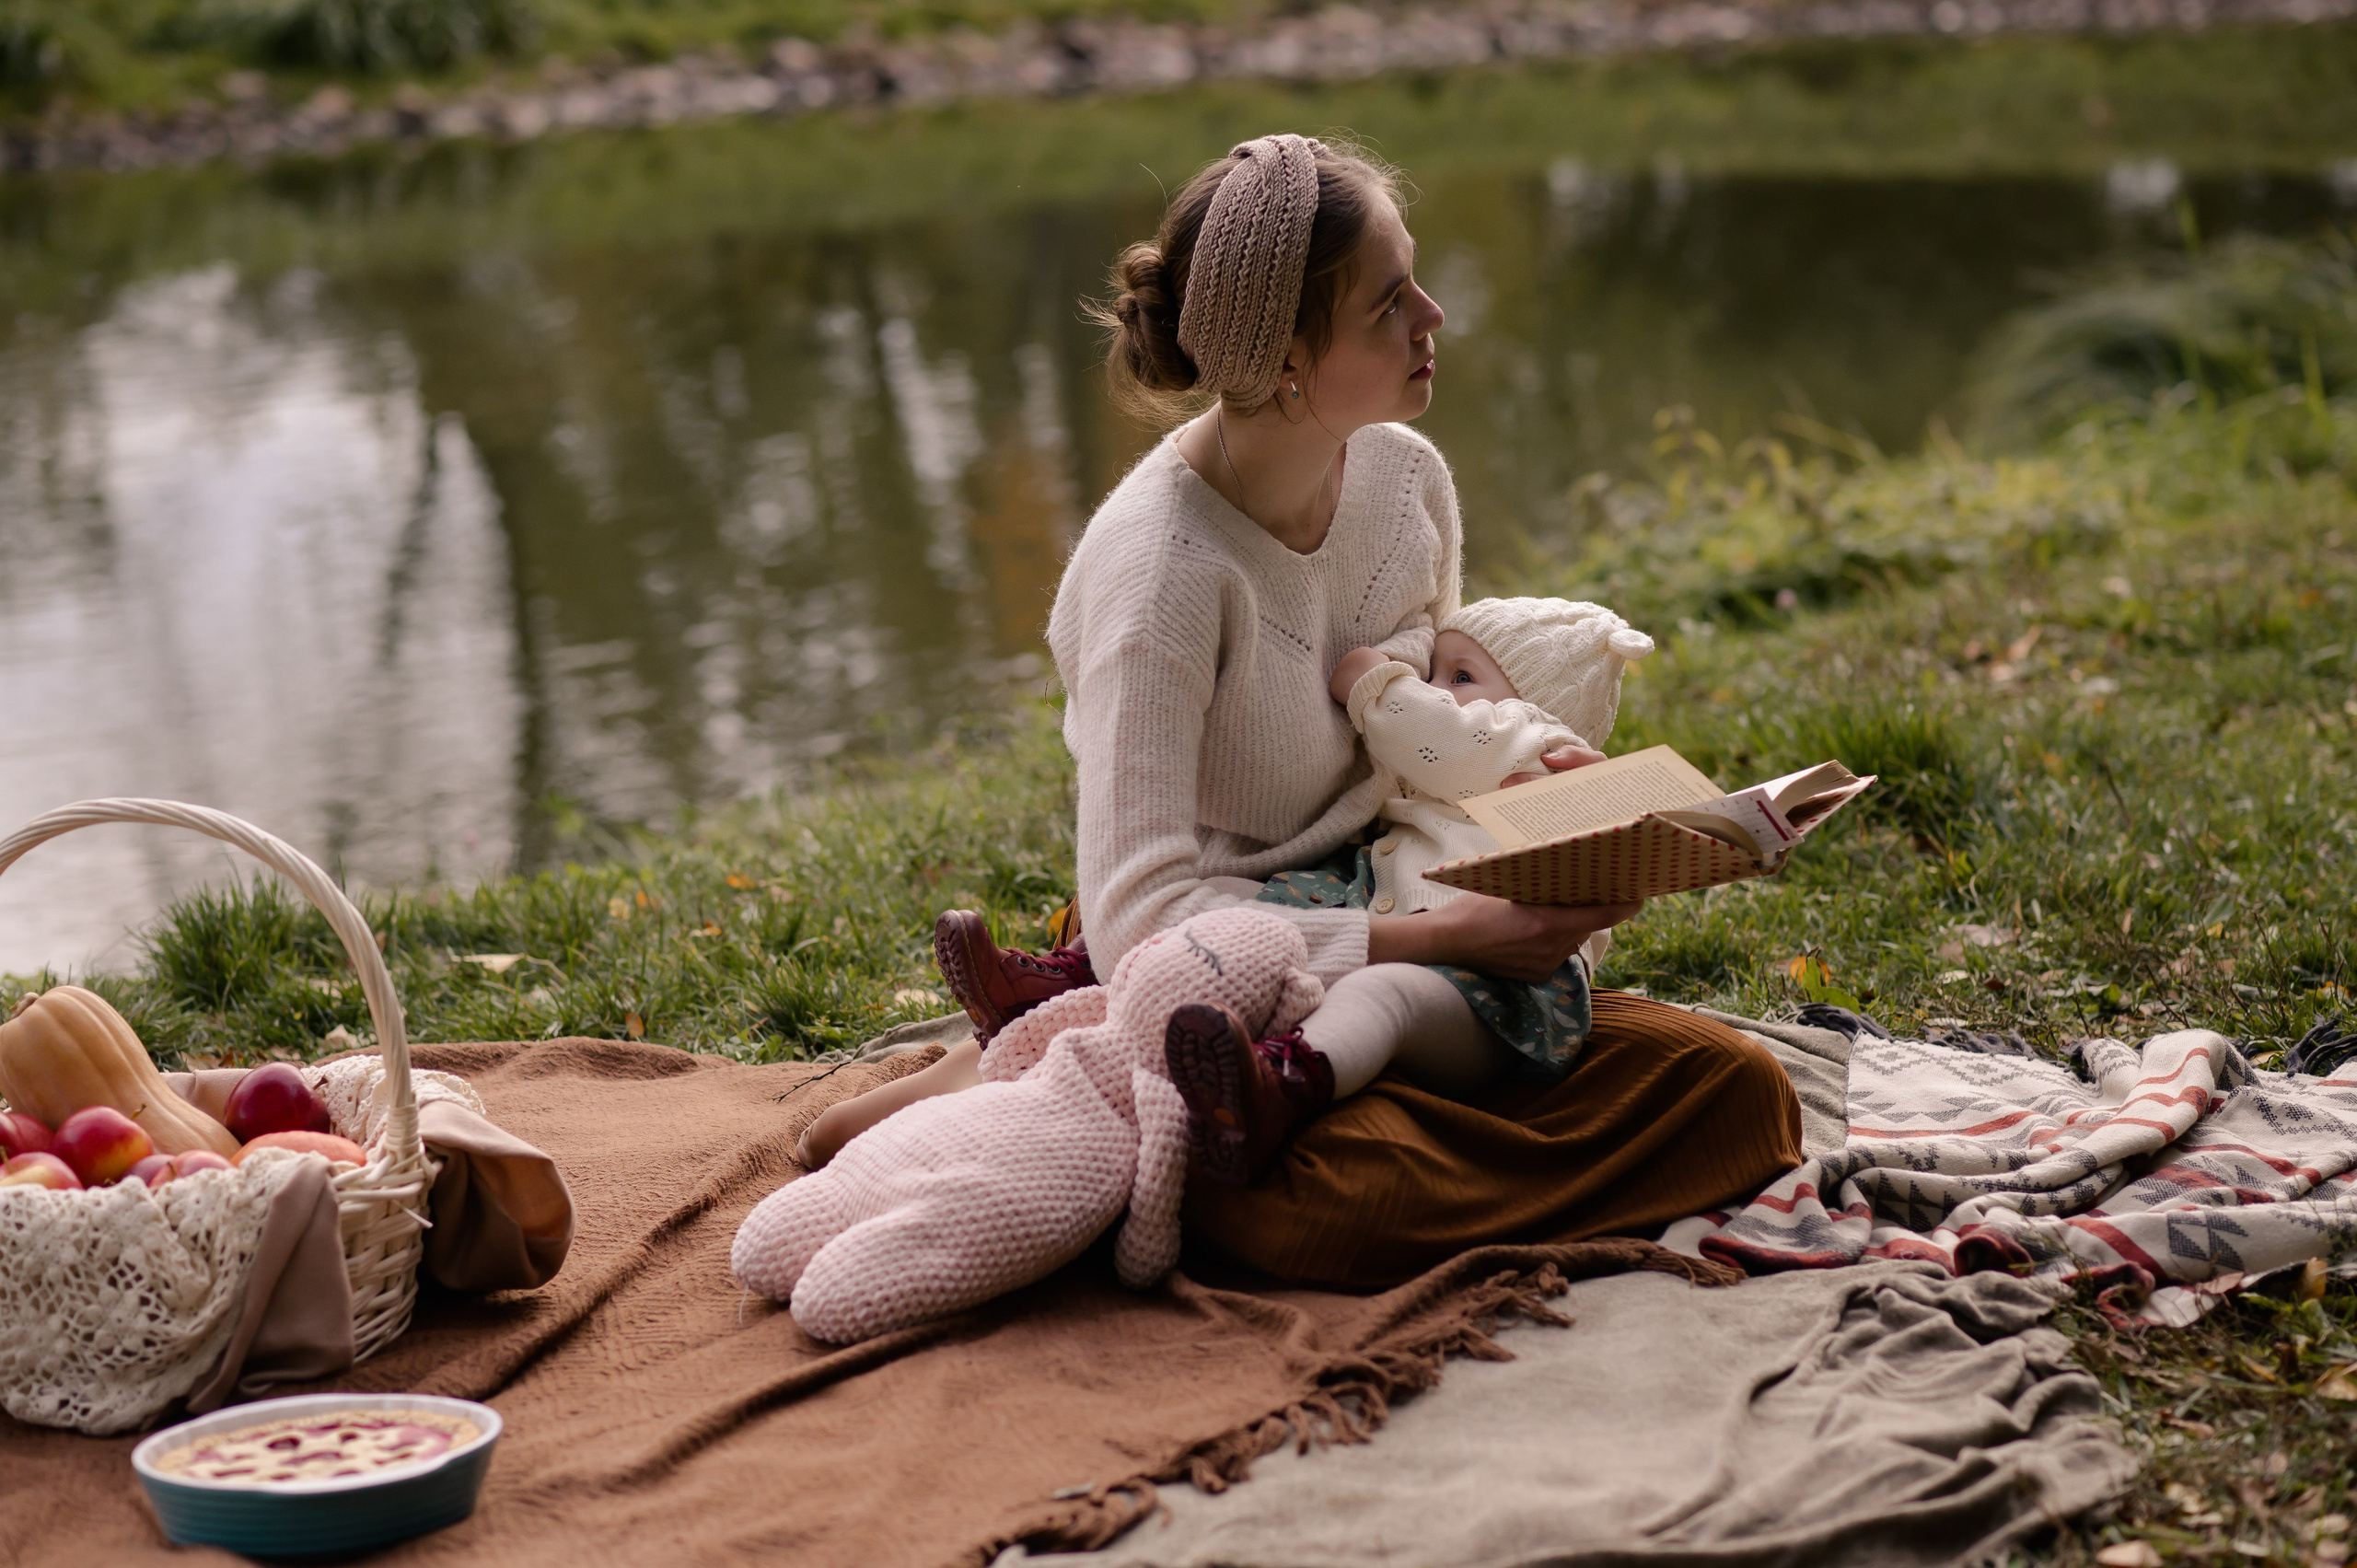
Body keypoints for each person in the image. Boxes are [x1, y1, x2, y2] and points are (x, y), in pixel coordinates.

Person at [797, 135, 1800, 1275]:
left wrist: (1557, 816)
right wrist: (1446, 935)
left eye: (1413, 278)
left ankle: (1060, 1053)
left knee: (1740, 1093)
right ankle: (1056, 1060)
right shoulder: (1158, 577)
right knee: (1342, 1204)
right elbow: (1142, 916)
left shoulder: (1404, 478)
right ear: (1284, 356)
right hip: (1221, 944)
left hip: (1381, 914)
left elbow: (1415, 733)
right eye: (1388, 303)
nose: (1433, 313)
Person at [1166, 594, 1657, 1185]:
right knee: (1230, 891)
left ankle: (1281, 1084)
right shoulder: (1443, 782)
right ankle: (1086, 965)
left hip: (1495, 991)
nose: (1437, 689)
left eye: (1462, 676)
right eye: (1432, 674)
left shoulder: (1537, 751)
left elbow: (1446, 734)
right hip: (1377, 906)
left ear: (1533, 705)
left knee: (1384, 996)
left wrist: (1374, 685)